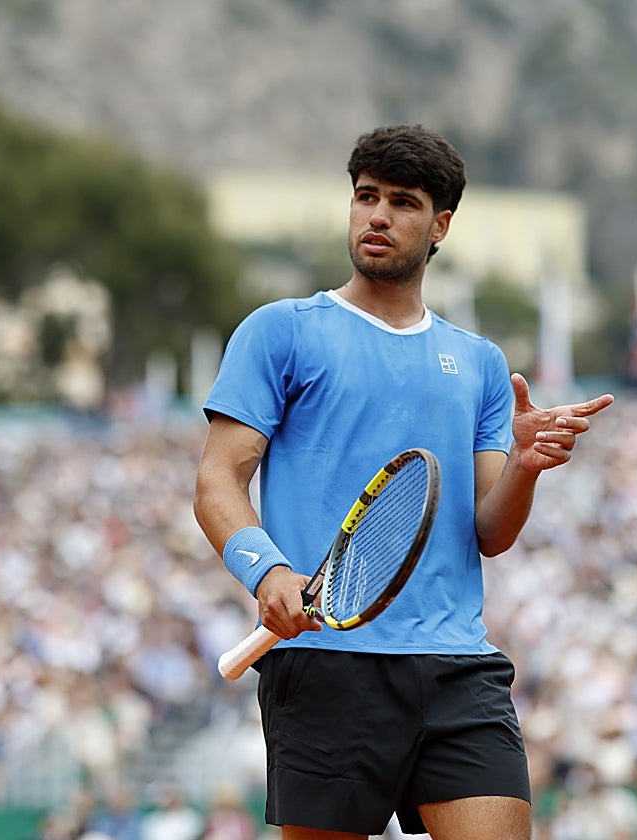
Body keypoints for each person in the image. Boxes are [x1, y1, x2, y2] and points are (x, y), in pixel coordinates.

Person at [193, 124, 614, 840]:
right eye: (366, 197)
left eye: (402, 202)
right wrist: (267, 572)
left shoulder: (479, 361)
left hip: (458, 666)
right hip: (326, 667)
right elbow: (216, 481)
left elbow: (491, 532)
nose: (378, 215)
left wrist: (525, 467)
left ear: (440, 224)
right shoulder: (280, 331)